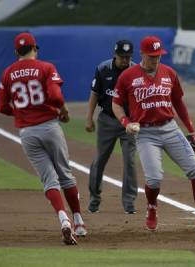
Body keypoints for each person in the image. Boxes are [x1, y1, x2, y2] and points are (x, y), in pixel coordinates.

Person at [112, 35, 195, 232]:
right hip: (145, 133)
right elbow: (117, 103)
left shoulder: (169, 73)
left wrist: (190, 128)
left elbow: (178, 102)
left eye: (158, 55)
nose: (155, 59)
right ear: (142, 54)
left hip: (170, 128)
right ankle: (152, 207)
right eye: (151, 55)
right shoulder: (128, 76)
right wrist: (126, 122)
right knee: (154, 179)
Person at [0, 32, 86, 245]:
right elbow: (55, 96)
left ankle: (63, 218)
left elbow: (2, 107)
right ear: (35, 48)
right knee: (65, 174)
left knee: (49, 179)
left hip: (27, 133)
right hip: (49, 126)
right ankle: (79, 221)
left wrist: (20, 112)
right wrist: (63, 111)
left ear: (15, 51)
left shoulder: (7, 73)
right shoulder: (46, 67)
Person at [85, 40, 138, 214]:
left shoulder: (136, 72)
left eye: (128, 57)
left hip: (129, 123)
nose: (125, 60)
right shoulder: (103, 69)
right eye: (122, 57)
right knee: (100, 159)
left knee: (130, 160)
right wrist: (89, 119)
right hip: (107, 120)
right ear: (115, 54)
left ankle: (129, 201)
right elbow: (94, 94)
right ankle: (94, 197)